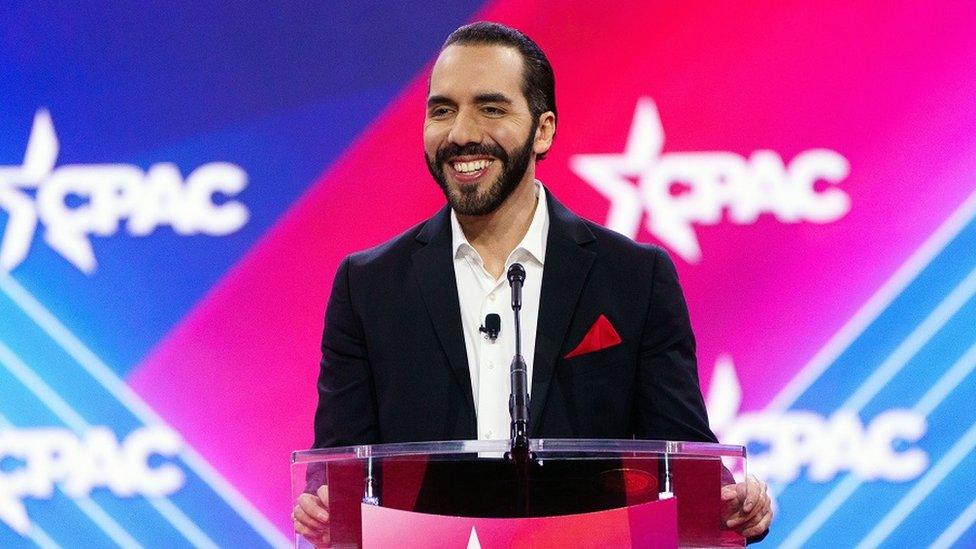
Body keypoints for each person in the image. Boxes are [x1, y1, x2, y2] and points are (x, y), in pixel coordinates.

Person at [294, 21, 772, 545]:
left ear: (543, 129)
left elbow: (685, 464)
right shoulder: (368, 287)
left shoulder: (635, 278)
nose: (461, 134)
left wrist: (737, 501)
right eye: (442, 110)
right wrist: (323, 513)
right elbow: (337, 479)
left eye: (491, 109)